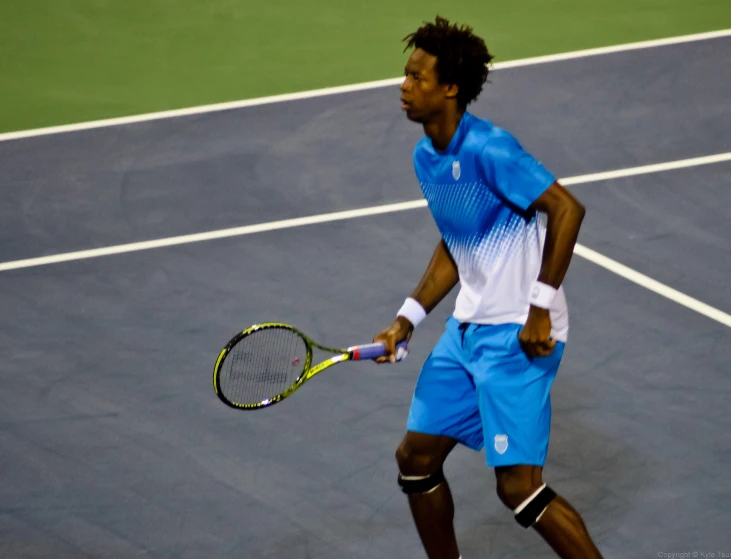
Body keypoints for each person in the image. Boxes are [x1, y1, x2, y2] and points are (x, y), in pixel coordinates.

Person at [372, 16, 603, 559]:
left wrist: (539, 308)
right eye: (405, 76)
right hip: (468, 331)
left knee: (518, 490)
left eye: (416, 78)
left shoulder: (492, 150)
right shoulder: (425, 156)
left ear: (449, 88)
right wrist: (409, 317)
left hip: (519, 336)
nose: (403, 87)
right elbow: (458, 241)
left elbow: (567, 208)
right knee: (416, 459)